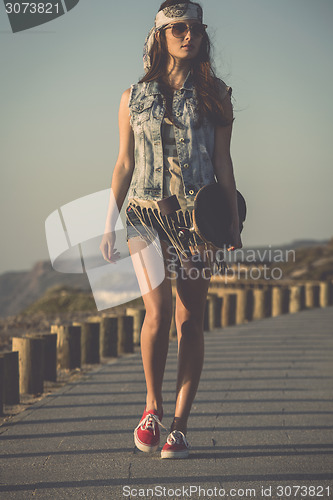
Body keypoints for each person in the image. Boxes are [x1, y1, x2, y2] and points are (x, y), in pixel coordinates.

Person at [100, 0, 242, 459]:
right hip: (144, 213)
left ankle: (179, 425)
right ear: (160, 36)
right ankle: (152, 407)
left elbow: (222, 161)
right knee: (157, 312)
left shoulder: (217, 93)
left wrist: (231, 224)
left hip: (197, 221)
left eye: (194, 28)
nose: (188, 34)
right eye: (177, 28)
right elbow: (124, 163)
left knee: (189, 320)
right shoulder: (132, 97)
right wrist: (108, 222)